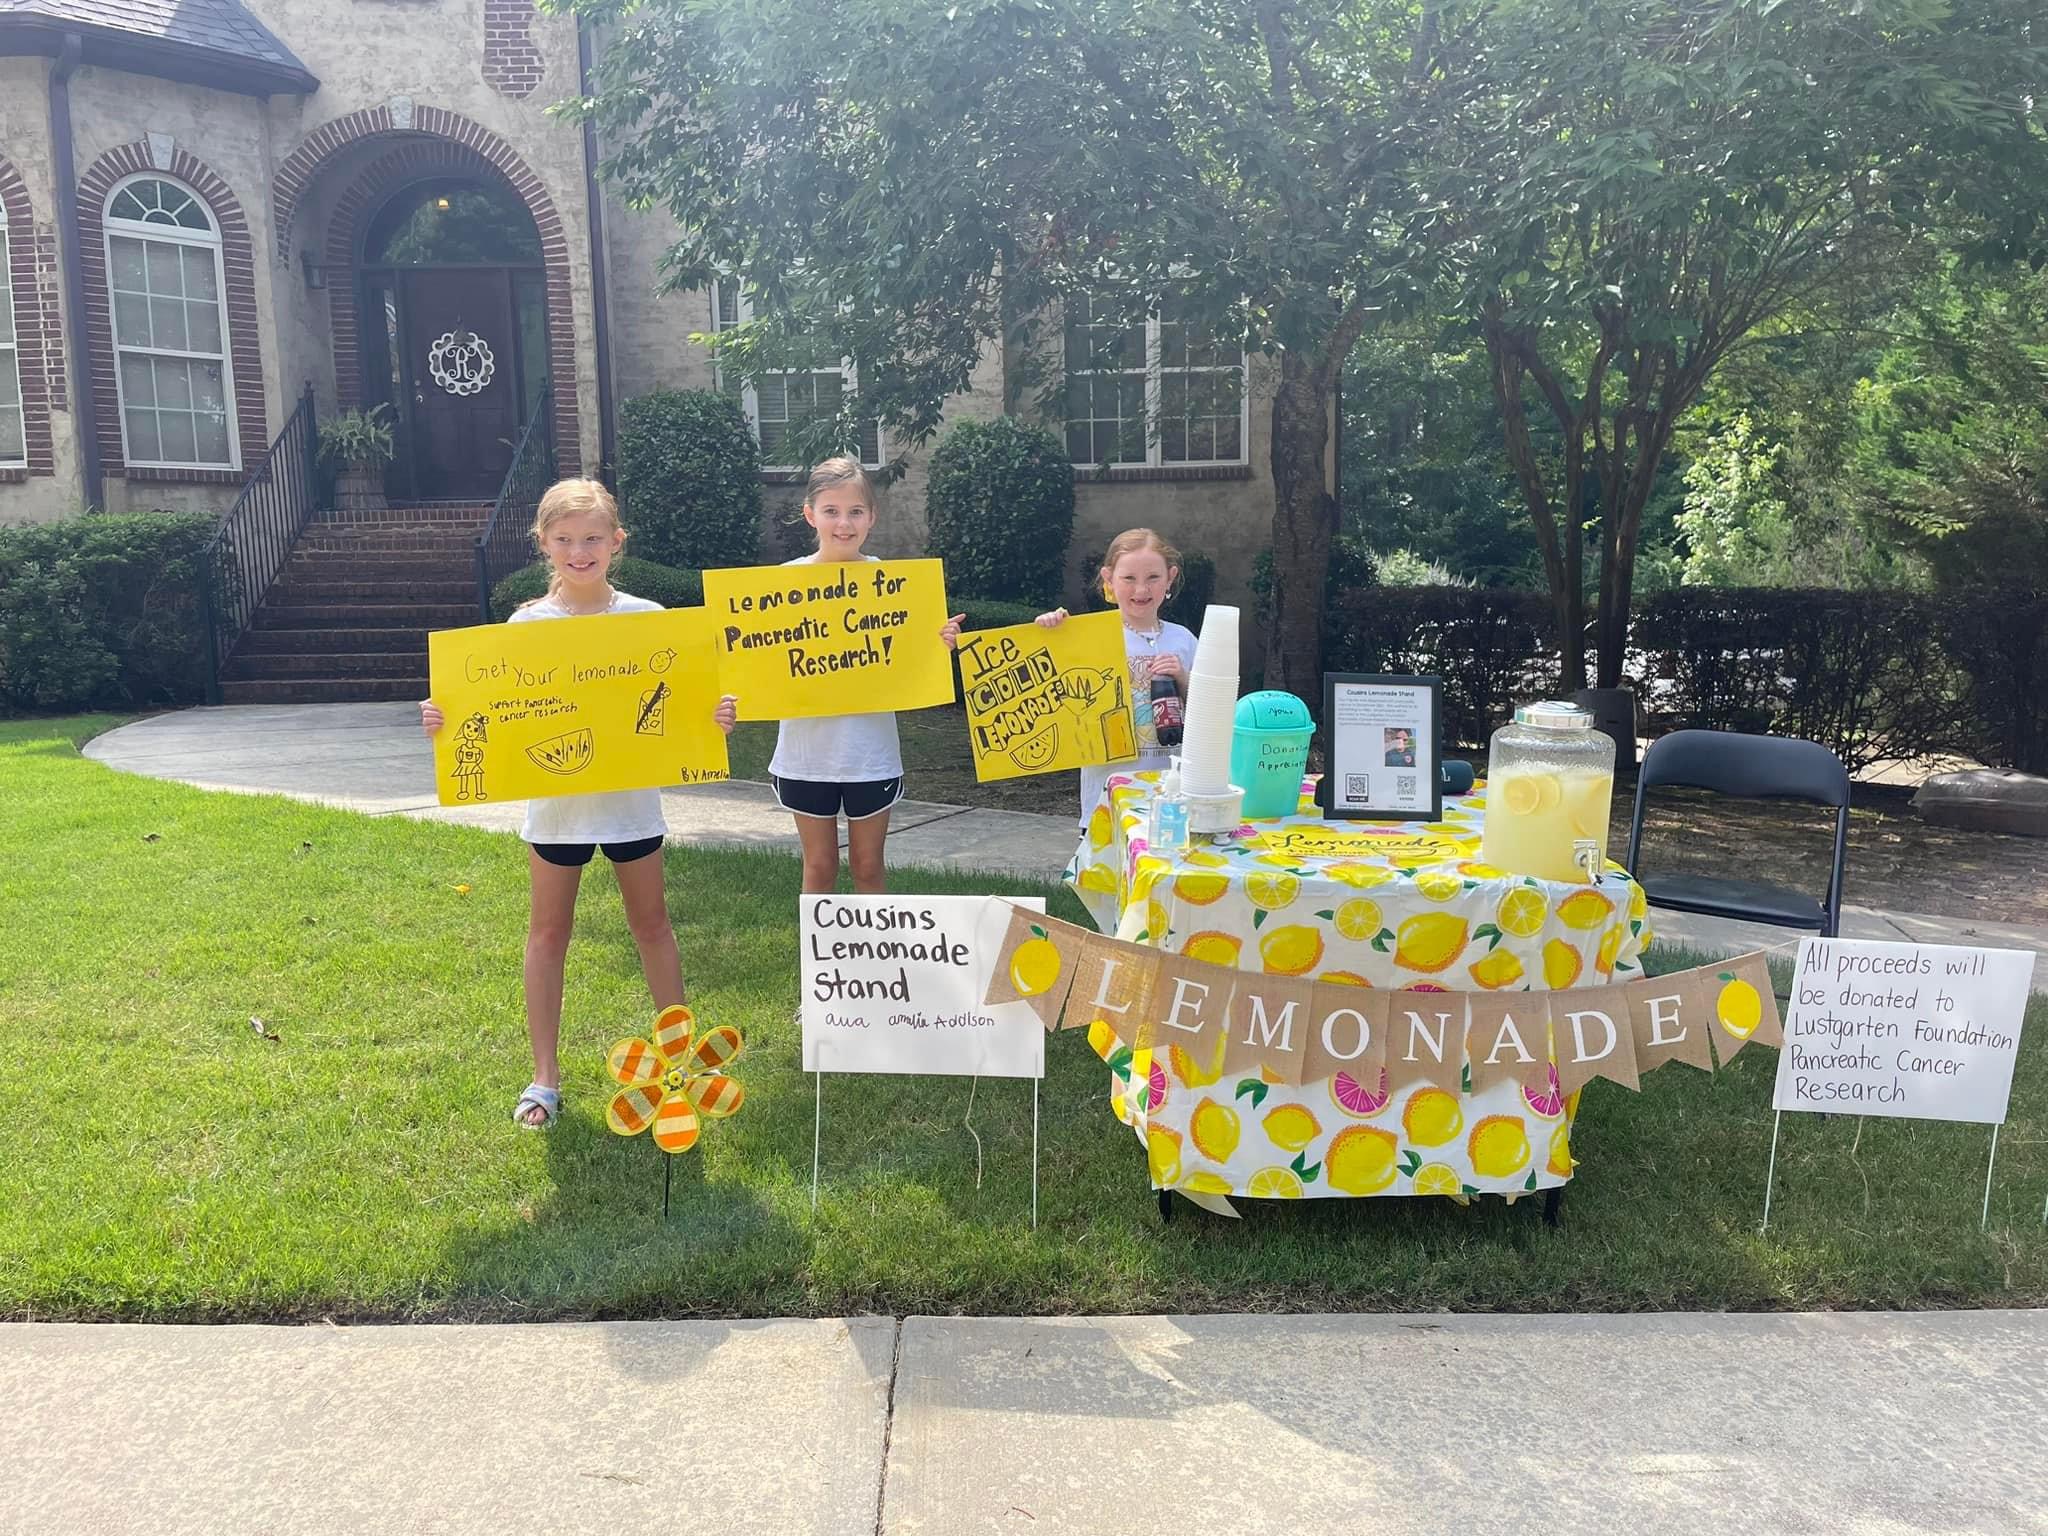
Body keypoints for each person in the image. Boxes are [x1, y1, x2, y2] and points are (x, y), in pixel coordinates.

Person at [420, 478, 738, 1129]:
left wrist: (717, 716)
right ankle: (544, 1079)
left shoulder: (649, 619)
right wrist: (443, 718)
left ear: (615, 542)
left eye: (592, 538)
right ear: (544, 545)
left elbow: (688, 704)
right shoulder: (525, 626)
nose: (580, 550)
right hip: (557, 813)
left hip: (630, 808)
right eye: (565, 539)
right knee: (547, 934)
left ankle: (679, 1066)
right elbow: (492, 712)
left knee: (653, 927)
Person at [771, 456, 964, 894]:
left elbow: (912, 661)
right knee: (818, 866)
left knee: (868, 865)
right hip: (806, 755)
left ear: (872, 517)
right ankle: (819, 962)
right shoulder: (783, 583)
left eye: (855, 512)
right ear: (810, 515)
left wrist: (938, 643)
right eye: (832, 511)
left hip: (870, 753)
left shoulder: (893, 584)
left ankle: (870, 963)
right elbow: (757, 661)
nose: (844, 523)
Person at [1035, 527, 1199, 826]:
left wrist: (1182, 677)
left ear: (1170, 578)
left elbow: (1211, 713)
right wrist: (1049, 632)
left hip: (1171, 797)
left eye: (1153, 577)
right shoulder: (1087, 637)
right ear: (1108, 578)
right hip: (1106, 799)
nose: (1141, 590)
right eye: (1129, 578)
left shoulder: (1184, 640)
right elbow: (1043, 684)